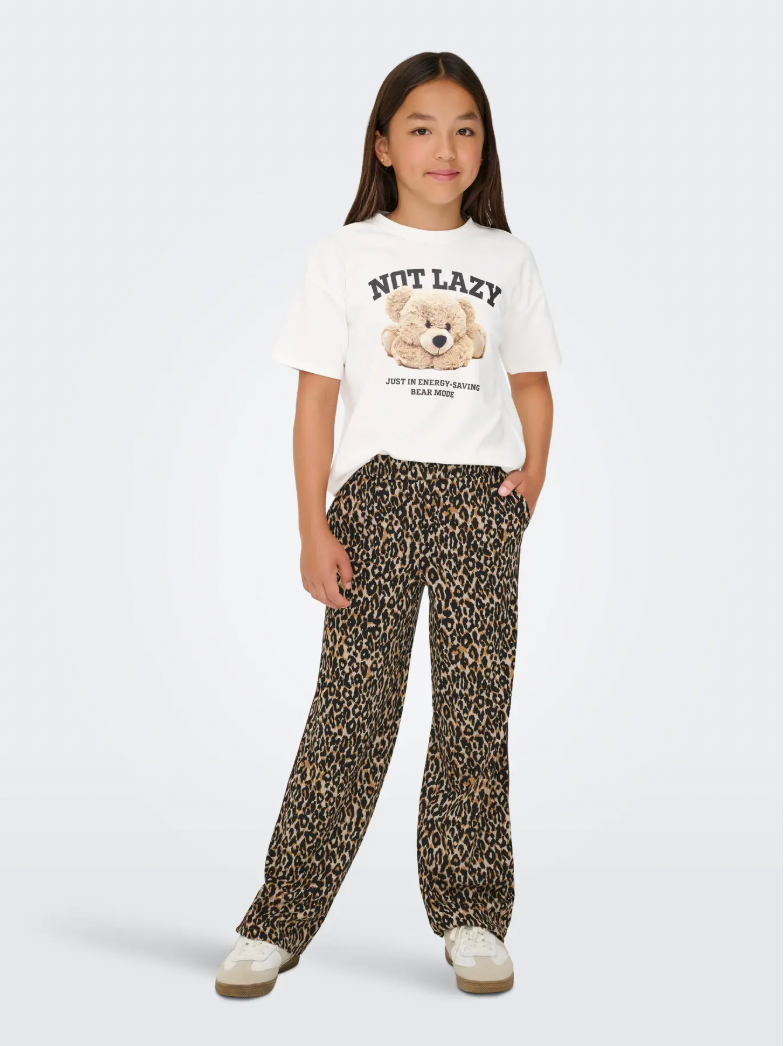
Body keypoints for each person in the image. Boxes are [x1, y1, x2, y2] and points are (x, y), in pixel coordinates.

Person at [215, 50, 562, 999]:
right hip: (374, 499)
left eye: (464, 129)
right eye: (421, 128)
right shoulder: (344, 254)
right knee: (352, 712)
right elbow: (315, 401)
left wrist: (532, 478)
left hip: (479, 502)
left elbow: (532, 381)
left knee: (474, 711)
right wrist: (311, 526)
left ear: (485, 146)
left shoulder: (509, 259)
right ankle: (278, 919)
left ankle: (472, 913)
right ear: (382, 145)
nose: (444, 148)